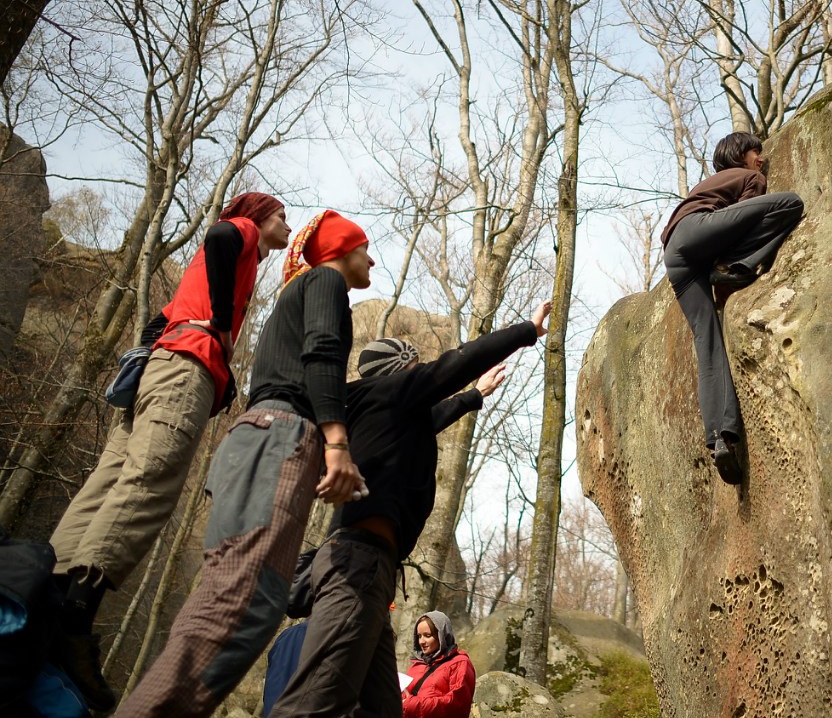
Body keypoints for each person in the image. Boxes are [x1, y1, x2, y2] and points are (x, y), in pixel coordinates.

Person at [115, 210, 372, 718]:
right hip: (279, 440)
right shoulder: (323, 281)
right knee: (244, 604)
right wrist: (337, 443)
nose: (371, 259)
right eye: (364, 247)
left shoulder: (292, 298)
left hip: (253, 441)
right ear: (340, 248)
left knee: (223, 595)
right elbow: (323, 353)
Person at [47, 192, 290, 709]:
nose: (286, 227)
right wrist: (221, 331)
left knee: (110, 481)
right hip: (186, 369)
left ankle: (46, 596)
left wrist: (180, 343)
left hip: (160, 367)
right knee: (151, 481)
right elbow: (222, 233)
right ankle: (74, 617)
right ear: (260, 218)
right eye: (282, 217)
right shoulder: (240, 233)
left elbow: (159, 322)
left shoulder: (206, 272)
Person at [269, 303, 551, 718]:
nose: (421, 374)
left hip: (368, 568)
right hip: (360, 565)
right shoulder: (393, 393)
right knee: (311, 703)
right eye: (416, 367)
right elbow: (460, 361)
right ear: (402, 369)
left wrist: (475, 396)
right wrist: (527, 330)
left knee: (383, 709)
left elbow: (429, 418)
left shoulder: (372, 412)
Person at [660, 132, 804, 485]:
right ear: (741, 155)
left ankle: (720, 439)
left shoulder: (707, 185)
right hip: (699, 233)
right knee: (791, 203)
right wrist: (735, 267)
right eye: (757, 152)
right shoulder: (749, 177)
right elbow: (747, 222)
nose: (762, 159)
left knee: (708, 344)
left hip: (675, 259)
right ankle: (732, 267)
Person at [401, 612, 475, 718]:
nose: (421, 641)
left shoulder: (460, 663)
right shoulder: (416, 665)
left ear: (441, 635)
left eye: (427, 635)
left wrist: (412, 705)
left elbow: (457, 705)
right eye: (419, 636)